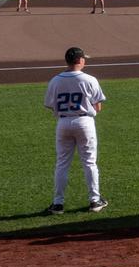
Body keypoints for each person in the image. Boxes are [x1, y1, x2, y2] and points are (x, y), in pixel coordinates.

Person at [43, 47, 108, 214]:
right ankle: (95, 200)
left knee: (62, 164)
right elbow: (98, 107)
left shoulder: (55, 80)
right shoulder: (89, 79)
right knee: (89, 162)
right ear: (79, 60)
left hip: (63, 123)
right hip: (85, 122)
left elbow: (50, 105)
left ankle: (58, 203)